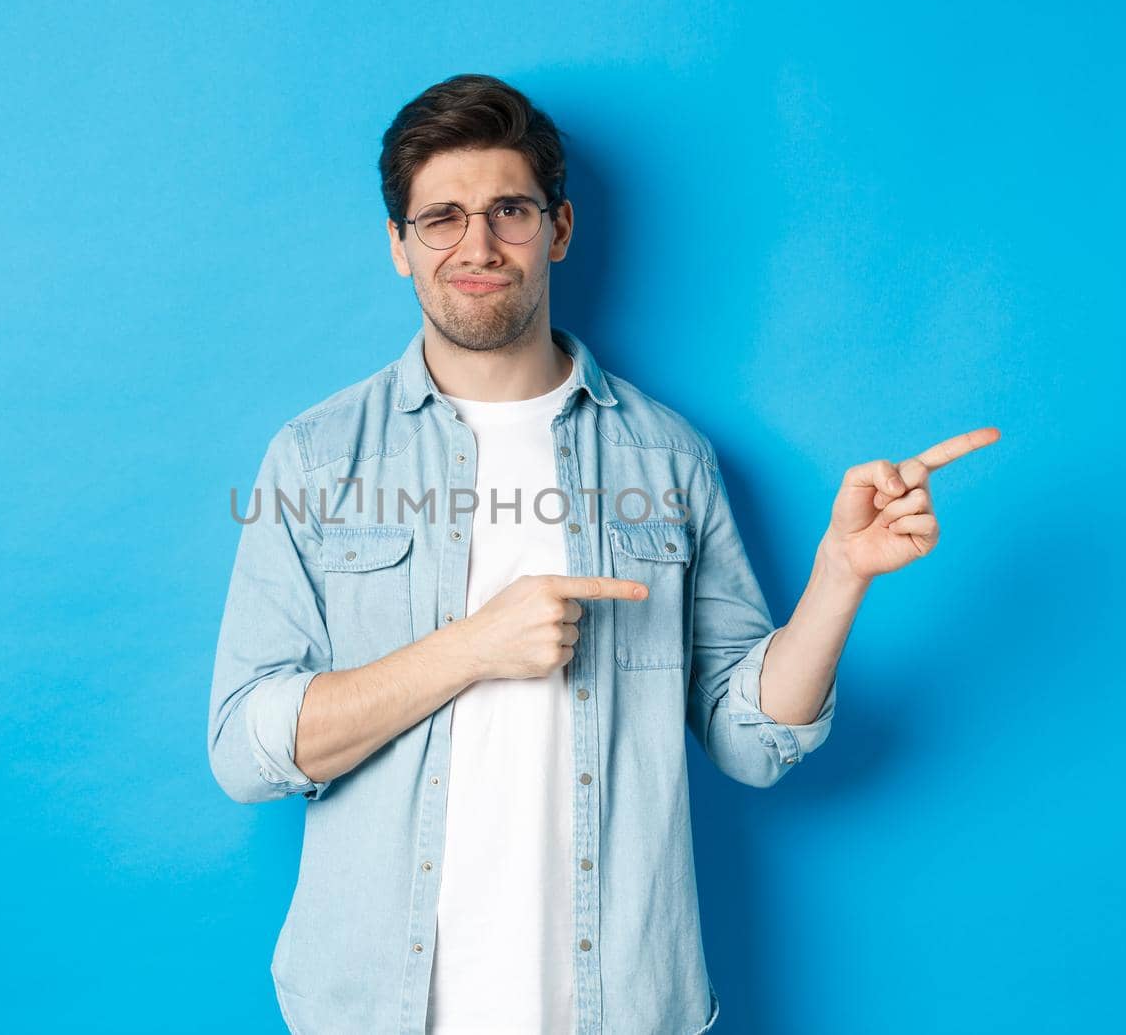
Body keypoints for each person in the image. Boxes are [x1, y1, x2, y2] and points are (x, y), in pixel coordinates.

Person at [207, 73, 999, 1035]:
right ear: (399, 248)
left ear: (560, 227)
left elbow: (751, 743)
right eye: (441, 218)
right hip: (377, 1008)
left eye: (509, 210)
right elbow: (246, 747)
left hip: (619, 1005)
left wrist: (840, 576)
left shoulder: (668, 458)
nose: (478, 244)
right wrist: (475, 644)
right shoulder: (317, 457)